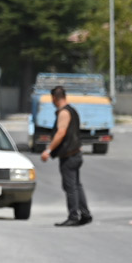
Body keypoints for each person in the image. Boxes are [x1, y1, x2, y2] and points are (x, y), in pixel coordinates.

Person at [41, 83, 92, 225]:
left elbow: (61, 132)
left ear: (55, 98)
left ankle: (73, 217)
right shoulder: (73, 111)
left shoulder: (64, 113)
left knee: (70, 187)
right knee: (76, 185)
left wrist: (48, 150)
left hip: (69, 156)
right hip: (76, 154)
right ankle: (85, 214)